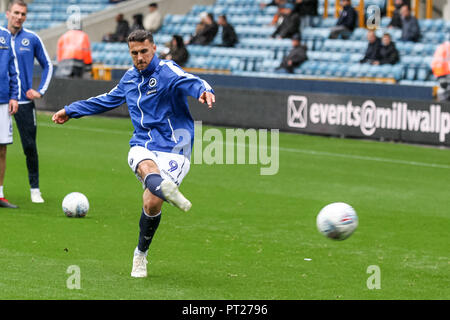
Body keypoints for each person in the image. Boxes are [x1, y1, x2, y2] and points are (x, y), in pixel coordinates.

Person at [51, 30, 215, 278]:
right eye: (134, 53)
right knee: (147, 169)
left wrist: (204, 91)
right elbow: (104, 100)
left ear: (154, 49)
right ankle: (165, 189)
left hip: (174, 148)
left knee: (151, 203)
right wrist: (70, 110)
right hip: (142, 145)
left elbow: (190, 81)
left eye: (144, 51)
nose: (139, 57)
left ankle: (141, 251)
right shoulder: (129, 79)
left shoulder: (167, 71)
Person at [6, 0, 53, 203]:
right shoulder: (0, 36)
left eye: (23, 14)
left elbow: (48, 64)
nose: (19, 17)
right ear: (7, 13)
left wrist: (40, 91)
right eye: (16, 12)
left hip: (24, 103)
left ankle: (35, 189)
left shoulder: (32, 38)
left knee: (29, 147)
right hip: (2, 102)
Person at [0, 26, 20, 208]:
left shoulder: (5, 35)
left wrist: (14, 95)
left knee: (1, 149)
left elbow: (13, 69)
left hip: (3, 101)